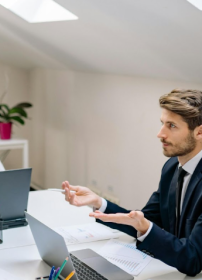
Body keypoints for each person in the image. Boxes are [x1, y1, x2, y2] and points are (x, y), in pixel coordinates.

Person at [62, 89, 202, 276]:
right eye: (162, 124)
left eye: (172, 126)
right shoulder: (171, 167)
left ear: (199, 132)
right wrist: (99, 203)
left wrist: (145, 228)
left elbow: (193, 259)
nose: (160, 134)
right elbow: (145, 220)